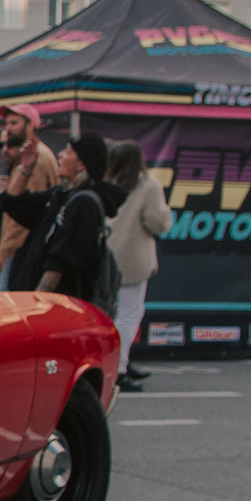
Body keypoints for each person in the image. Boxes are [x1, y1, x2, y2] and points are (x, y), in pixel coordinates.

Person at [0, 133, 126, 310]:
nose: (60, 155)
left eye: (68, 152)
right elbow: (14, 204)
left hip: (56, 307)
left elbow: (60, 263)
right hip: (33, 299)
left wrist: (39, 302)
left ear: (81, 164)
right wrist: (26, 168)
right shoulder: (61, 195)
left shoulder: (84, 204)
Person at [105, 140, 172, 392]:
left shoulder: (104, 182)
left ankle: (120, 361)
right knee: (129, 315)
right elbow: (157, 222)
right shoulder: (148, 185)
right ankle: (119, 369)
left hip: (106, 258)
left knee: (108, 315)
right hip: (133, 261)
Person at [0, 104, 59, 285]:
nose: (9, 129)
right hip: (21, 251)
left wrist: (4, 251)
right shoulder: (28, 155)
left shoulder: (35, 158)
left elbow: (23, 215)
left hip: (21, 252)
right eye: (7, 124)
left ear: (31, 126)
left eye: (14, 123)